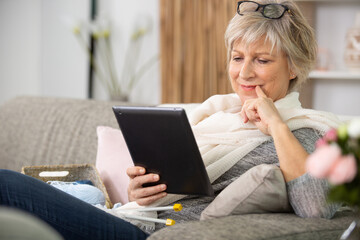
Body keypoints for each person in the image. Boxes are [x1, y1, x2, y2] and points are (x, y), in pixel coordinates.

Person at [0, 0, 343, 239]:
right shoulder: (215, 115)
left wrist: (276, 124)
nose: (245, 72)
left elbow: (316, 209)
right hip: (130, 215)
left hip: (142, 233)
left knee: (6, 186)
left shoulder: (309, 133)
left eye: (262, 60)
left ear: (294, 66)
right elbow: (171, 193)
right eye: (237, 57)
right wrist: (141, 191)